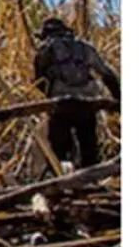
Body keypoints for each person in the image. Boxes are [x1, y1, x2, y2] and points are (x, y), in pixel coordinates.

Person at [33, 17, 120, 169]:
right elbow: (107, 74)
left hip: (61, 104)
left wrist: (49, 97)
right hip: (87, 102)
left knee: (59, 149)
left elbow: (39, 81)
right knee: (88, 145)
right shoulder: (84, 47)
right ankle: (92, 181)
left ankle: (60, 184)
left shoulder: (45, 49)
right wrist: (118, 99)